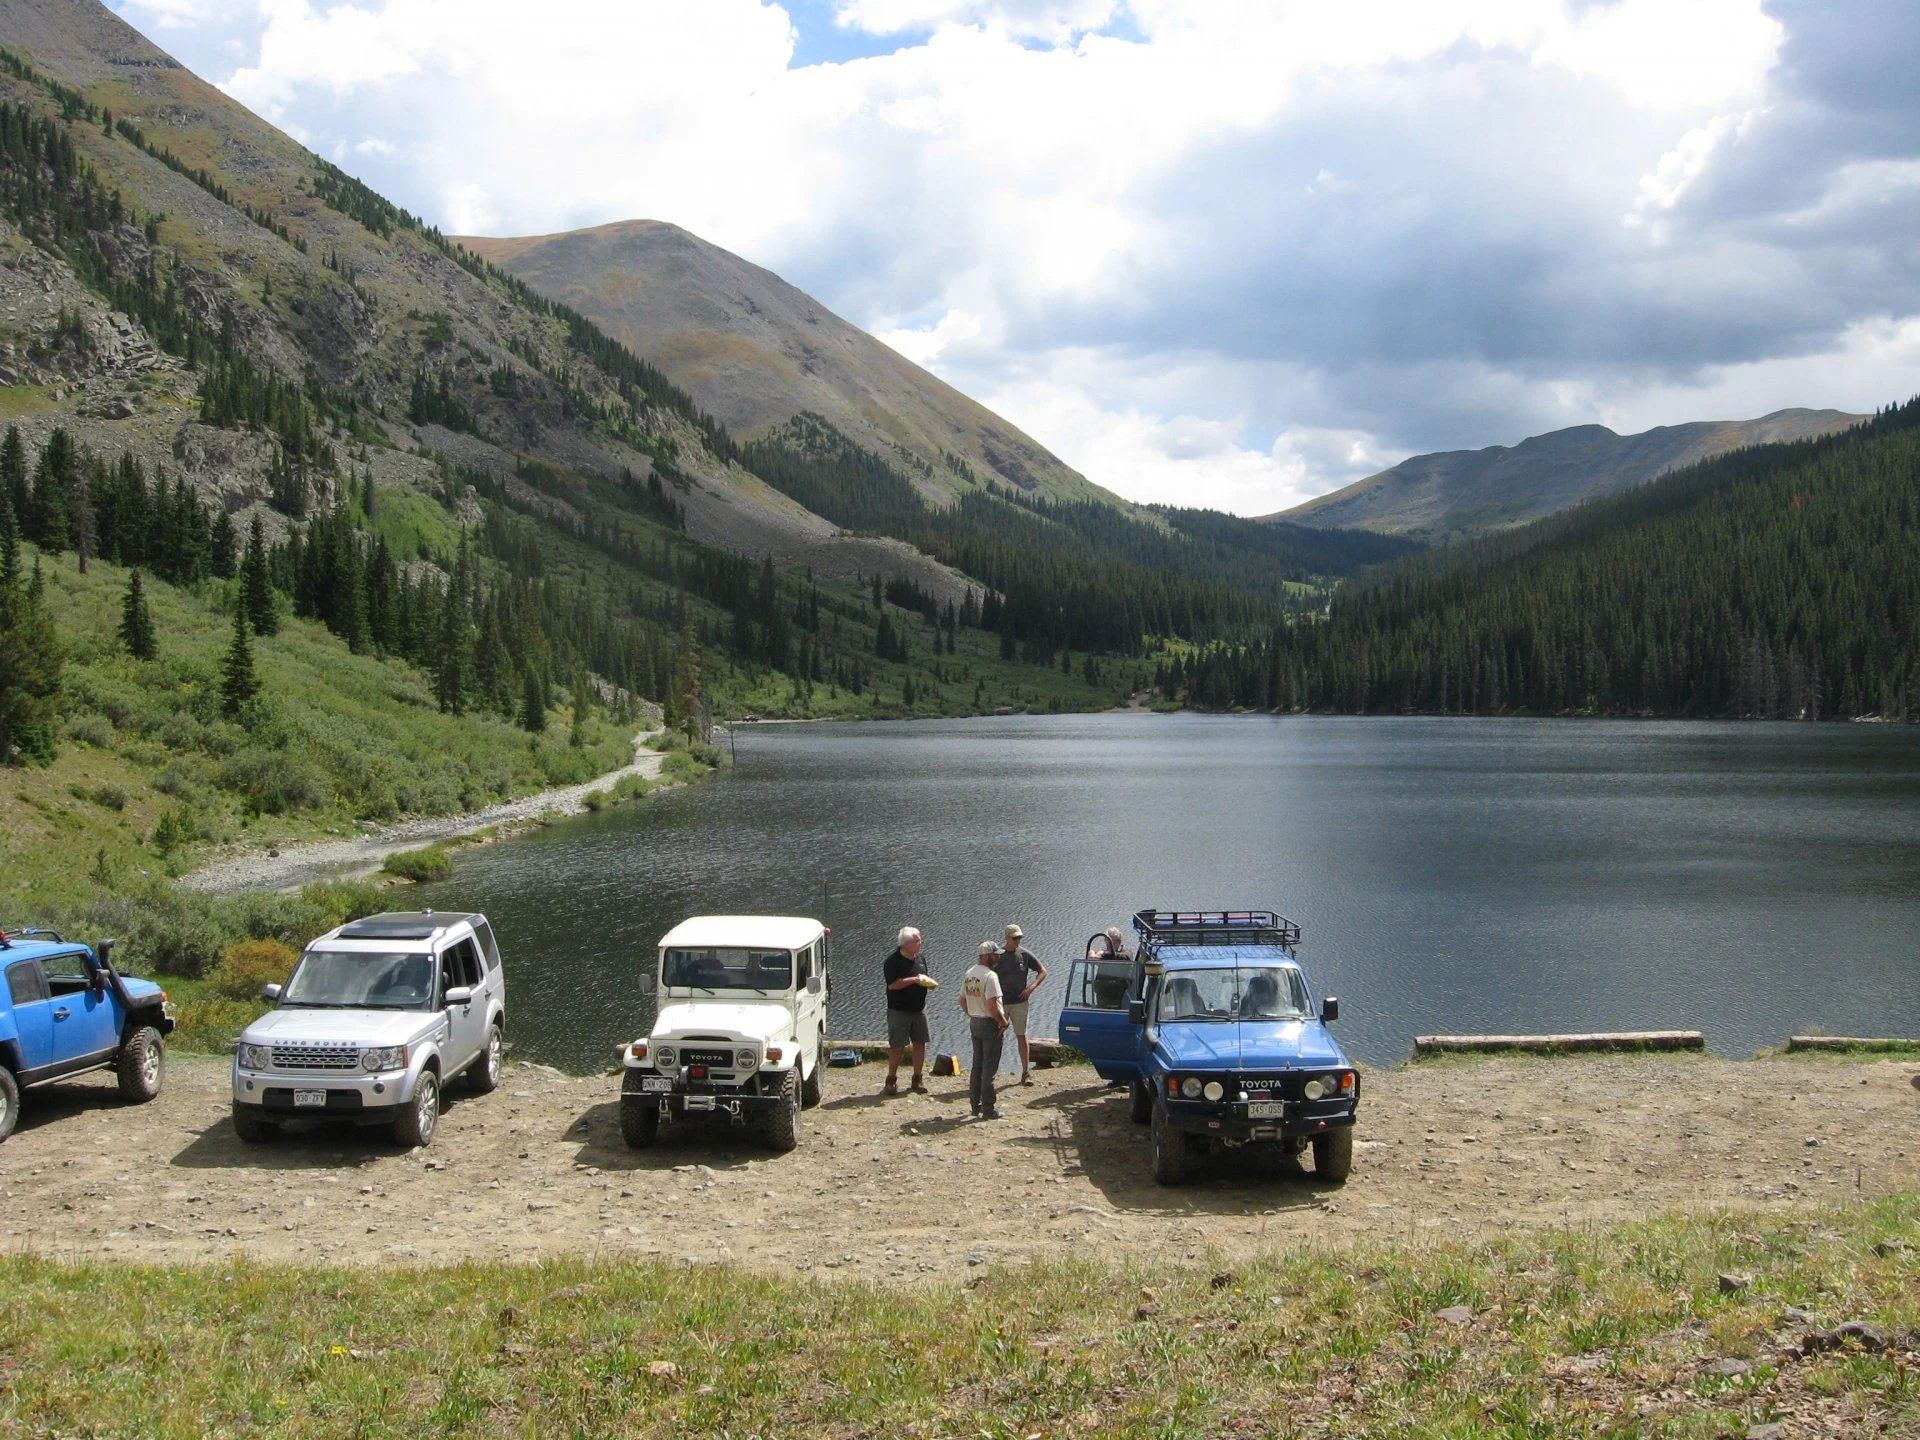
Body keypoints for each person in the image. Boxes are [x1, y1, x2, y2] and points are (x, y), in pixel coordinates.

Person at [882, 925, 935, 1095]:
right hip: (899, 1011)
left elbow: (923, 977)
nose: (921, 943)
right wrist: (913, 980)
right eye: (917, 941)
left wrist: (927, 983)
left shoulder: (920, 959)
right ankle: (891, 1080)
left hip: (919, 1010)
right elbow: (892, 985)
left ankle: (917, 1079)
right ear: (906, 944)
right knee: (897, 1045)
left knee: (920, 1043)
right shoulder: (892, 961)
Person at [993, 923, 1048, 1086]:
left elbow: (1043, 971)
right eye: (1015, 938)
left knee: (1022, 1036)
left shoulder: (1024, 954)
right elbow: (987, 975)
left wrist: (1031, 987)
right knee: (996, 1037)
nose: (1017, 941)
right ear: (1007, 938)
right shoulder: (998, 956)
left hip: (1020, 1003)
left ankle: (1025, 1072)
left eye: (1019, 938)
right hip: (1001, 1004)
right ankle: (991, 1073)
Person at [959, 941, 1009, 1119]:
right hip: (989, 1023)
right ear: (987, 956)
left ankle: (975, 1105)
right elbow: (992, 1004)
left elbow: (962, 1000)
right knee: (989, 1067)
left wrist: (972, 1014)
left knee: (976, 1065)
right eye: (996, 955)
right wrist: (1003, 1022)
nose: (998, 957)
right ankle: (988, 1108)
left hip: (975, 1023)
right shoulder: (990, 976)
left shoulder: (969, 973)